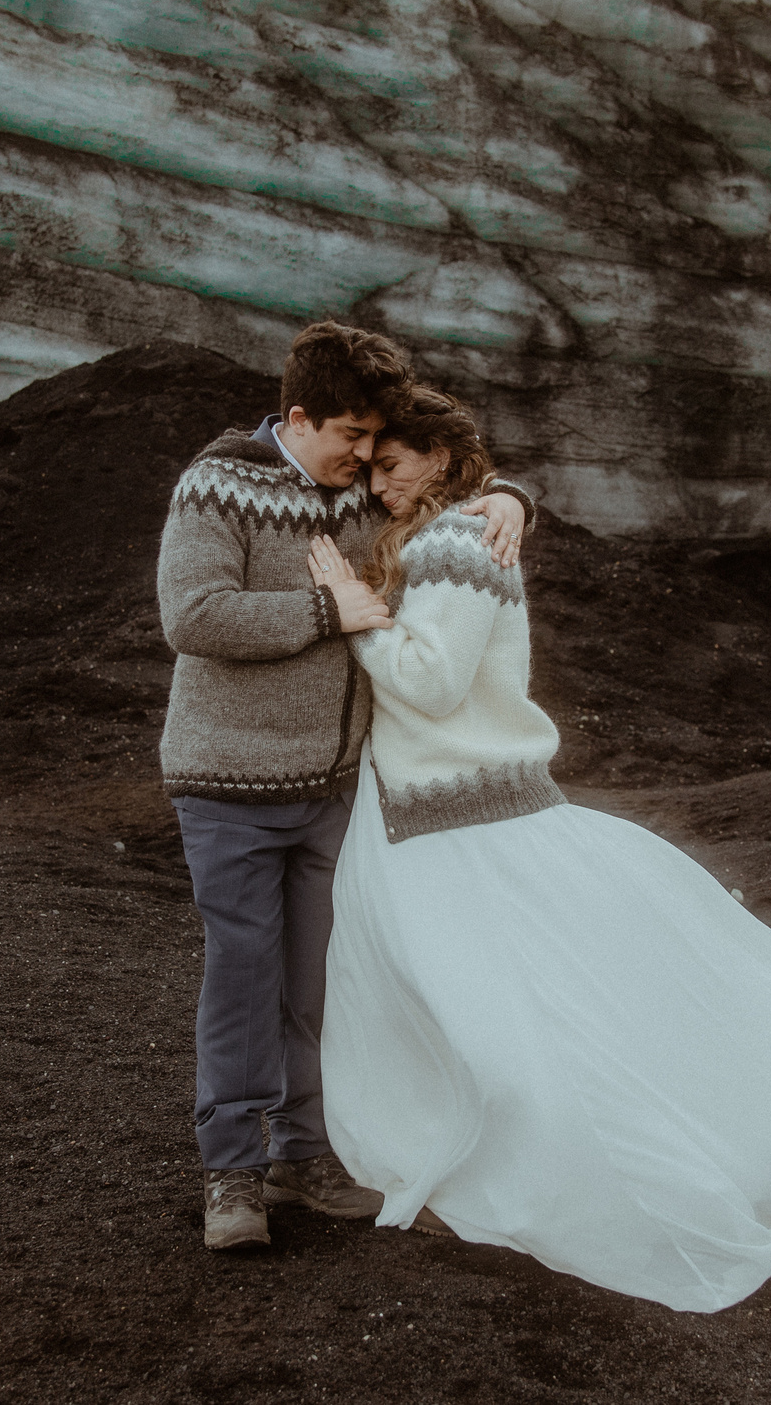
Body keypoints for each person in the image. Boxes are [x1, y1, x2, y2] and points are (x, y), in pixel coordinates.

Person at [305, 387, 771, 1312]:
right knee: (472, 1003)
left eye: (395, 466)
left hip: (465, 819)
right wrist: (506, 494)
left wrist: (358, 614)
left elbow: (431, 685)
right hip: (434, 815)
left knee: (506, 1012)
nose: (380, 485)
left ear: (438, 458)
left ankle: (522, 1163)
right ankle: (472, 1149)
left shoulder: (457, 544)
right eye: (373, 466)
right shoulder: (458, 531)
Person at [156, 321, 533, 1251]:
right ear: (298, 416)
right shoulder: (218, 484)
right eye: (350, 438)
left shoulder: (360, 493)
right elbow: (193, 615)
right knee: (245, 974)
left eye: (374, 443)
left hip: (335, 787)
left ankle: (305, 1149)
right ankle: (231, 1171)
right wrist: (330, 608)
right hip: (231, 779)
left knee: (327, 978)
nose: (366, 461)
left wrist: (516, 497)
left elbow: (447, 487)